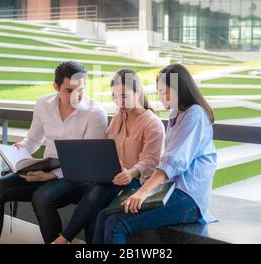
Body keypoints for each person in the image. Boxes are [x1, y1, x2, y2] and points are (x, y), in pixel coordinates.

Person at [0, 61, 108, 244]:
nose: (76, 96)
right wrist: (20, 150)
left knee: (41, 197)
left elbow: (88, 161)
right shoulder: (43, 104)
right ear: (56, 87)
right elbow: (33, 140)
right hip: (47, 168)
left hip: (79, 177)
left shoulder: (95, 113)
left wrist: (51, 176)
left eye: (80, 90)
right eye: (69, 91)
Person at [93, 63, 218, 244]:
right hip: (169, 190)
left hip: (188, 198)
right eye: (159, 92)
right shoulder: (176, 114)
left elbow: (172, 162)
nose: (161, 98)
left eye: (166, 92)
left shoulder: (195, 115)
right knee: (104, 215)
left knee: (116, 223)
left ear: (181, 90)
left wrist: (143, 192)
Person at [52, 68, 165, 244]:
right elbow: (106, 146)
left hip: (138, 182)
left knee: (97, 196)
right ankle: (66, 238)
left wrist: (130, 173)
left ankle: (64, 238)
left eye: (124, 96)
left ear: (138, 92)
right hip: (114, 179)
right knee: (95, 194)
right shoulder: (119, 117)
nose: (119, 102)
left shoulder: (152, 123)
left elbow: (150, 162)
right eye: (114, 97)